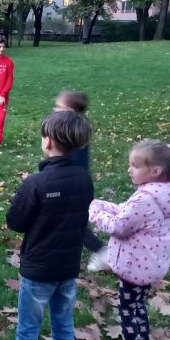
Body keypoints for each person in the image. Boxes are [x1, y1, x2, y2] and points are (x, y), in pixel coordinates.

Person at [4, 111, 93, 340]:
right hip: (68, 267)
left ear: (49, 141)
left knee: (27, 331)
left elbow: (15, 221)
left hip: (39, 271)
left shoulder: (37, 183)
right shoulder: (84, 179)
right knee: (63, 325)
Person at [89, 140, 170, 340]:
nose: (129, 170)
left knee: (127, 309)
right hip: (149, 264)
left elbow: (119, 226)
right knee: (137, 305)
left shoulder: (145, 199)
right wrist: (99, 204)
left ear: (155, 171)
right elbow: (126, 212)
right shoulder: (163, 194)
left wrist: (94, 213)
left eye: (135, 165)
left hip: (135, 267)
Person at [52, 90, 110, 272]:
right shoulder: (75, 130)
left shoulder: (72, 135)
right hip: (74, 183)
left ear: (70, 112)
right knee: (65, 220)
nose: (54, 110)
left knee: (73, 222)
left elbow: (70, 163)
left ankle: (102, 252)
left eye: (59, 107)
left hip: (72, 186)